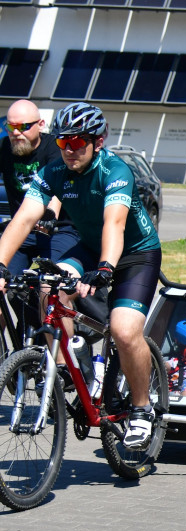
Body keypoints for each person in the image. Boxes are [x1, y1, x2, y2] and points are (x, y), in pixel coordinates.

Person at [0, 101, 161, 450]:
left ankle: (142, 407)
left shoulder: (114, 170)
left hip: (136, 253)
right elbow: (24, 218)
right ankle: (72, 365)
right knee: (48, 286)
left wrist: (105, 268)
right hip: (90, 245)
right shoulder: (55, 172)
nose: (70, 150)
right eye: (62, 142)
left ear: (97, 141)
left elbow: (114, 223)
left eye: (78, 142)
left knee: (123, 328)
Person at [0, 99, 85, 348]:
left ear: (41, 124)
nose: (16, 133)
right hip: (24, 229)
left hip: (60, 230)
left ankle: (62, 366)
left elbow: (55, 193)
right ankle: (10, 359)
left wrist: (49, 216)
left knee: (50, 289)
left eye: (24, 126)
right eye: (10, 126)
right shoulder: (6, 147)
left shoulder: (54, 148)